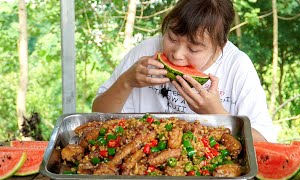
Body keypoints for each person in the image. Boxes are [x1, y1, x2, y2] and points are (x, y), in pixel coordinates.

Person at [92, 0, 277, 142]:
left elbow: (266, 143)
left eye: (193, 49)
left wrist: (219, 115)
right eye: (172, 38)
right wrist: (126, 82)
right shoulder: (145, 52)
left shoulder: (238, 67)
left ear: (220, 47)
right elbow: (97, 115)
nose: (177, 55)